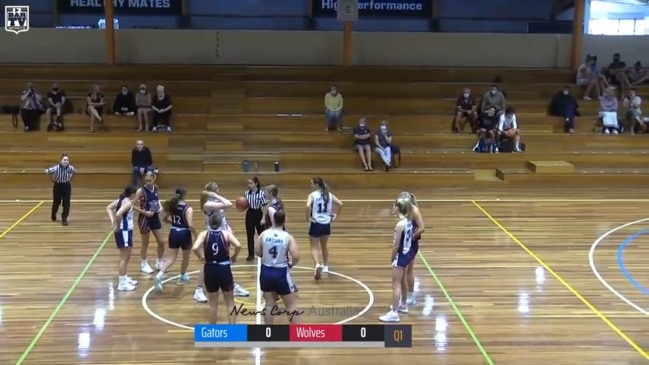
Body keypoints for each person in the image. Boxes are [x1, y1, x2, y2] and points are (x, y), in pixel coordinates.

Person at [194, 182, 249, 302]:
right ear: (213, 192)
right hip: (212, 236)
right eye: (217, 190)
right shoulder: (208, 204)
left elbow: (222, 218)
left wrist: (227, 228)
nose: (219, 191)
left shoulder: (215, 203)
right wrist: (215, 195)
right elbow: (228, 204)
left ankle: (232, 285)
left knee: (225, 262)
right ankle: (198, 290)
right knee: (206, 263)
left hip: (222, 235)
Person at [192, 213, 242, 324]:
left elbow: (195, 247)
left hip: (210, 269)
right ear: (221, 223)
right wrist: (234, 256)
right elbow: (238, 245)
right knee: (230, 302)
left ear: (209, 223)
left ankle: (212, 331)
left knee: (213, 305)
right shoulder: (226, 234)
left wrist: (200, 257)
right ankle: (232, 331)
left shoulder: (204, 234)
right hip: (224, 269)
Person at [256, 211, 300, 324]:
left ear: (273, 220)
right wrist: (291, 265)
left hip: (266, 271)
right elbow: (296, 256)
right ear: (284, 221)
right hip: (281, 273)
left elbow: (256, 251)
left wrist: (265, 256)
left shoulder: (264, 234)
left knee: (269, 305)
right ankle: (298, 335)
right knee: (291, 306)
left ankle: (268, 332)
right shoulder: (287, 237)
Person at [379, 198, 416, 323]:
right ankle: (403, 304)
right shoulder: (409, 221)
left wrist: (392, 258)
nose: (392, 208)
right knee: (402, 281)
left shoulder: (400, 224)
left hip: (400, 256)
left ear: (398, 208)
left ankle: (394, 313)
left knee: (395, 285)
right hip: (408, 254)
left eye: (394, 206)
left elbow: (396, 245)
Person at [156, 187, 196, 291]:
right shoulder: (188, 209)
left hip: (173, 232)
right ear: (184, 195)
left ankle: (160, 274)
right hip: (184, 233)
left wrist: (173, 224)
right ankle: (182, 276)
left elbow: (164, 219)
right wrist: (195, 234)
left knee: (170, 258)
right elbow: (190, 225)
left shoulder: (173, 206)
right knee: (185, 257)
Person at [306, 177, 343, 280]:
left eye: (312, 183)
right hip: (327, 223)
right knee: (324, 246)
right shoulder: (329, 195)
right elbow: (341, 204)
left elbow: (307, 206)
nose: (310, 185)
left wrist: (308, 217)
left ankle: (317, 265)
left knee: (314, 247)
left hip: (316, 222)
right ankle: (325, 266)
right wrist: (336, 216)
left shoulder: (312, 195)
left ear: (317, 185)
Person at [132, 172, 166, 274]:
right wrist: (145, 212)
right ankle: (144, 264)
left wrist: (160, 207)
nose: (147, 182)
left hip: (155, 217)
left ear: (154, 179)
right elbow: (132, 205)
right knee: (145, 243)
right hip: (144, 219)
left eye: (149, 180)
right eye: (146, 180)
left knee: (161, 242)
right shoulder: (140, 191)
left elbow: (157, 200)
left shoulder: (156, 188)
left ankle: (159, 262)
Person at [106, 185, 139, 291]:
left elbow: (109, 207)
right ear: (133, 194)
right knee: (124, 258)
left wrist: (112, 221)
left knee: (126, 256)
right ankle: (122, 283)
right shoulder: (127, 203)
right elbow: (119, 214)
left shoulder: (120, 200)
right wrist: (117, 225)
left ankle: (124, 277)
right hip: (124, 231)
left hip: (126, 231)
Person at [395, 192, 425, 306]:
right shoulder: (404, 210)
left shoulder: (414, 210)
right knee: (403, 273)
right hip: (405, 244)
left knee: (407, 271)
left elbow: (422, 228)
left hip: (411, 244)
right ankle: (404, 298)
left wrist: (410, 238)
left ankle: (409, 297)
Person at [45, 154, 76, 226]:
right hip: (58, 186)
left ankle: (64, 218)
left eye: (67, 160)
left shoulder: (71, 168)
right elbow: (46, 171)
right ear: (61, 161)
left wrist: (69, 179)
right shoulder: (55, 168)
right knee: (56, 202)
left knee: (66, 203)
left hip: (66, 186)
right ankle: (53, 214)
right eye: (64, 160)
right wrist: (52, 179)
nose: (66, 161)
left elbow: (74, 172)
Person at [244, 176, 268, 261]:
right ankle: (251, 254)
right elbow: (244, 204)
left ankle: (264, 253)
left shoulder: (261, 193)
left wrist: (263, 218)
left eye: (251, 183)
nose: (249, 185)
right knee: (249, 235)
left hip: (258, 213)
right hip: (250, 213)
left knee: (261, 235)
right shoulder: (246, 193)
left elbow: (265, 206)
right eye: (249, 183)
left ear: (256, 184)